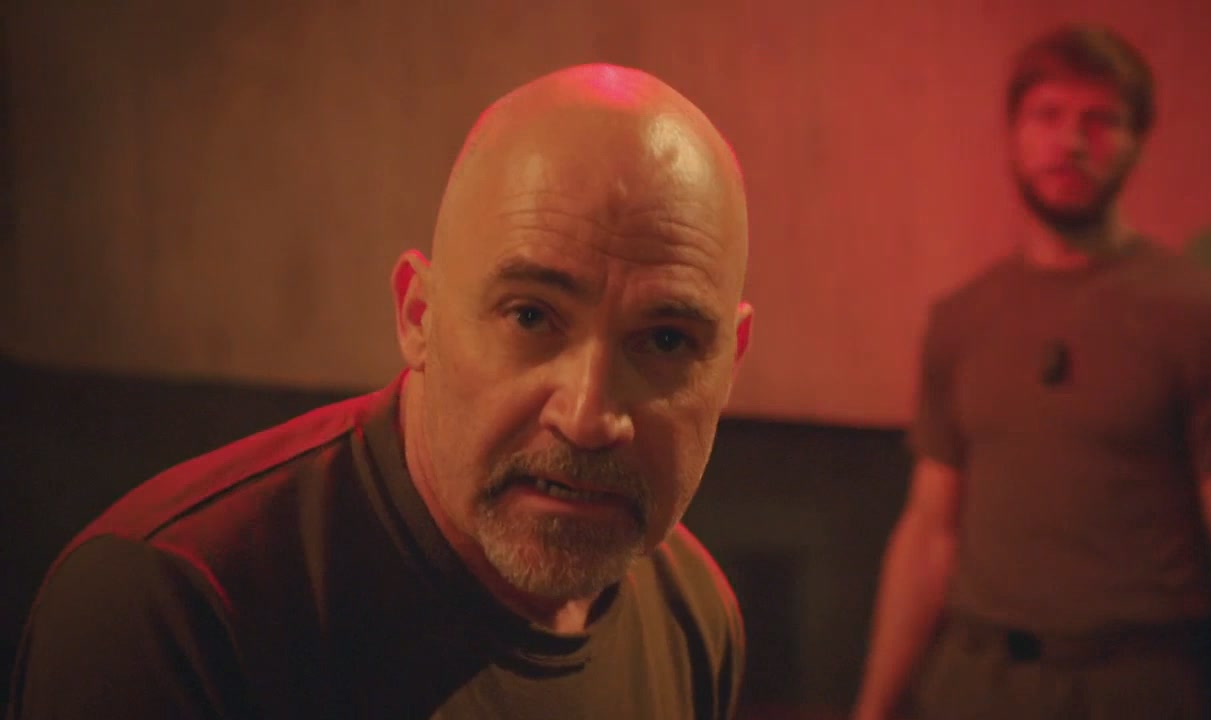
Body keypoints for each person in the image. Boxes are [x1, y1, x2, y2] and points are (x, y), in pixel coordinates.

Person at [8, 63, 754, 719]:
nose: (589, 416)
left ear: (730, 365)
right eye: (531, 316)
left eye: (666, 341)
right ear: (418, 317)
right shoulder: (175, 606)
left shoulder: (694, 615)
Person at [851, 24, 1211, 720]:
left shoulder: (1202, 315)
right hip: (975, 683)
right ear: (1013, 134)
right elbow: (929, 531)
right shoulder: (963, 317)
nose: (1071, 141)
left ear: (1137, 141)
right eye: (1047, 115)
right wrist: (873, 708)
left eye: (1099, 120)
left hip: (1139, 685)